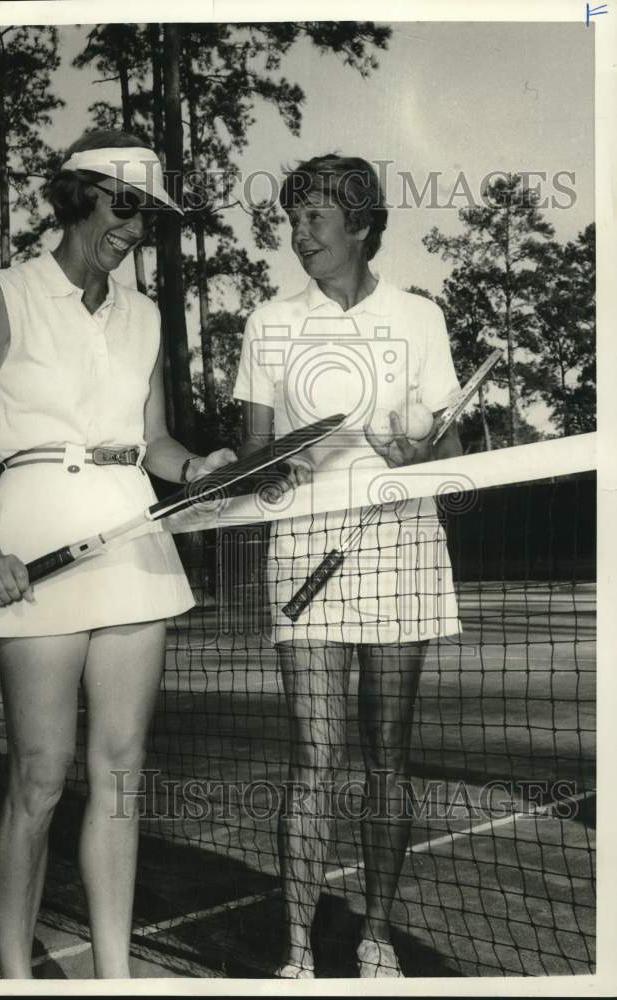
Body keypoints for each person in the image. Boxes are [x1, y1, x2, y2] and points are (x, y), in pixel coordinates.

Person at [0, 129, 234, 979]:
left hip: (132, 536)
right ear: (78, 196)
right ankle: (20, 980)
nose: (136, 227)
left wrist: (199, 466)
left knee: (123, 771)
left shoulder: (144, 315)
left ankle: (113, 974)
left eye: (149, 214)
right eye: (124, 204)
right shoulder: (4, 296)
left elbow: (155, 442)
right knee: (38, 779)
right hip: (29, 543)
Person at [233, 154, 463, 978]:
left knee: (388, 755)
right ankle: (297, 952)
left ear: (362, 227)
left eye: (316, 219)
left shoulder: (420, 317)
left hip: (400, 548)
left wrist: (418, 452)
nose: (300, 235)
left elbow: (455, 446)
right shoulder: (268, 322)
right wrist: (272, 469)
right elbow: (254, 454)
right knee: (313, 757)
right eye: (292, 220)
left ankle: (376, 935)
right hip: (304, 550)